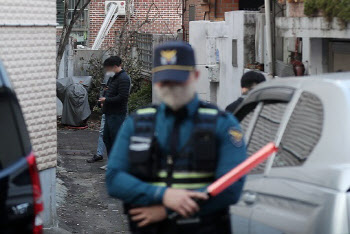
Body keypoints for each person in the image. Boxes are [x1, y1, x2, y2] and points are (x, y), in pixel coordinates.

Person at [106, 41, 247, 234]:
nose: (172, 87)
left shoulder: (222, 124)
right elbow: (114, 179)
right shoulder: (137, 123)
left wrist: (167, 210)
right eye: (166, 80)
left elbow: (231, 188)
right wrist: (162, 195)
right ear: (156, 81)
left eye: (179, 79)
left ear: (195, 76)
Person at [98, 56, 131, 169]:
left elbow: (122, 97)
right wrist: (104, 100)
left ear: (116, 66)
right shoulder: (113, 78)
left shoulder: (124, 78)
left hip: (117, 114)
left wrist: (106, 100)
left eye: (109, 68)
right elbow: (110, 92)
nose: (108, 71)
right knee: (107, 138)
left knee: (115, 138)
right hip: (109, 112)